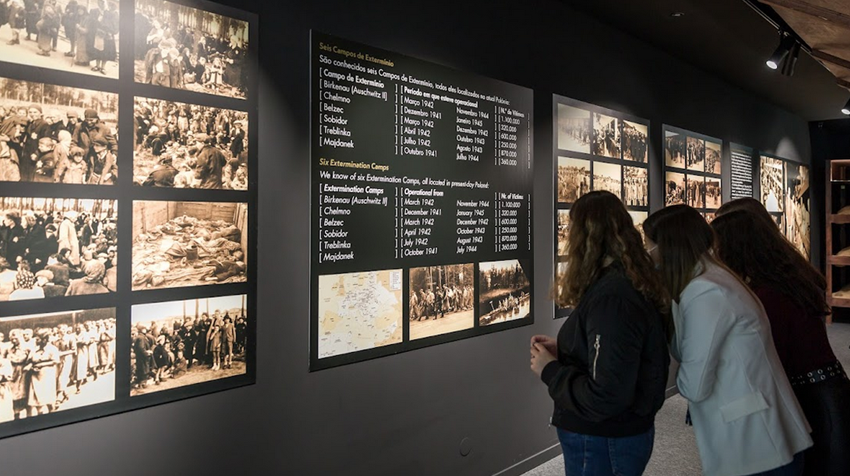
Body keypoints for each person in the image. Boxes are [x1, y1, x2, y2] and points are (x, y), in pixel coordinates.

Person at [643, 204, 812, 476]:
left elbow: (694, 385)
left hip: (757, 442)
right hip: (758, 436)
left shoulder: (705, 291)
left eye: (649, 245)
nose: (647, 253)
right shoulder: (711, 279)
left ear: (668, 246)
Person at [530, 191, 671, 476]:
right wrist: (567, 348)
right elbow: (616, 352)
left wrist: (551, 370)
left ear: (584, 236)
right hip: (612, 435)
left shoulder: (613, 298)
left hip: (602, 440)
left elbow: (606, 396)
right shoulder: (623, 283)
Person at [712, 205, 850, 476]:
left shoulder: (767, 296)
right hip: (823, 392)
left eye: (717, 248)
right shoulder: (785, 280)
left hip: (811, 400)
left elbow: (767, 362)